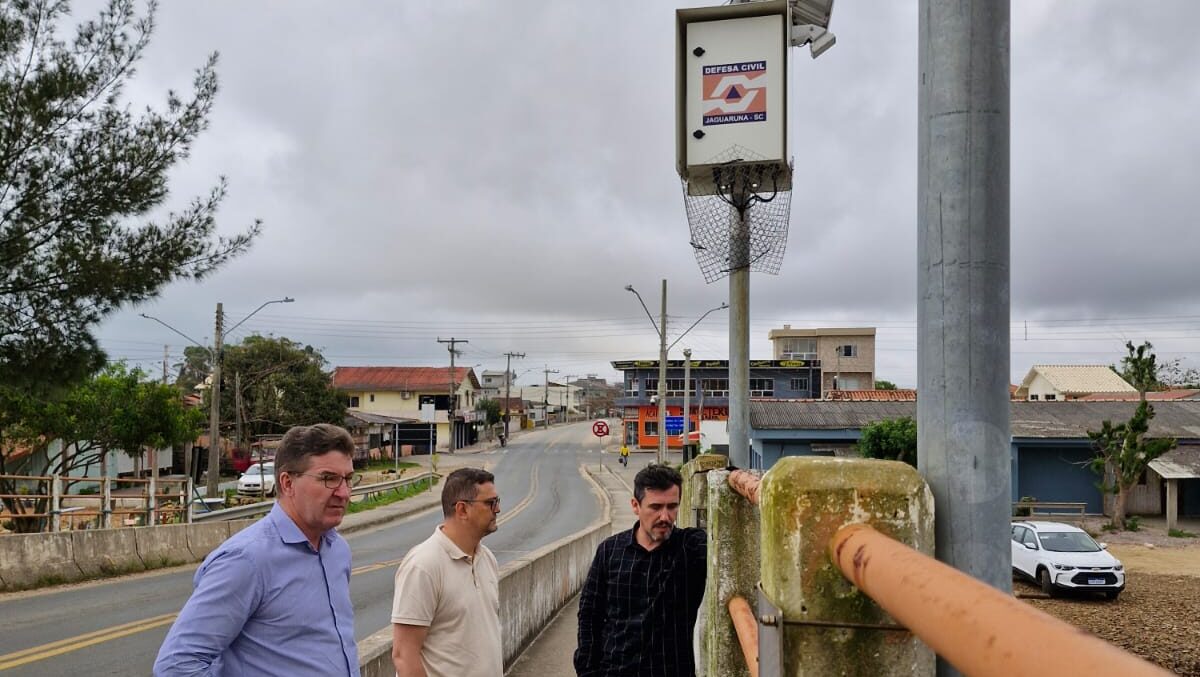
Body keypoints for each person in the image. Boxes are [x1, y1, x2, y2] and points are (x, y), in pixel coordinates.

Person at [154, 423, 362, 676]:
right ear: (287, 483)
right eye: (328, 479)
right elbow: (176, 666)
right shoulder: (246, 560)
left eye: (348, 479)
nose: (344, 493)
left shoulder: (337, 549)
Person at [575, 464, 706, 677]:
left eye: (672, 506)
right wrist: (588, 670)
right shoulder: (610, 551)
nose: (665, 516)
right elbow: (590, 615)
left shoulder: (690, 548)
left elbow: (728, 541)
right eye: (655, 507)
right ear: (636, 506)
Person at [391, 467, 502, 677]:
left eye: (497, 501)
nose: (497, 509)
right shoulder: (423, 565)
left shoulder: (486, 559)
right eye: (490, 503)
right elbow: (404, 656)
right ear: (462, 510)